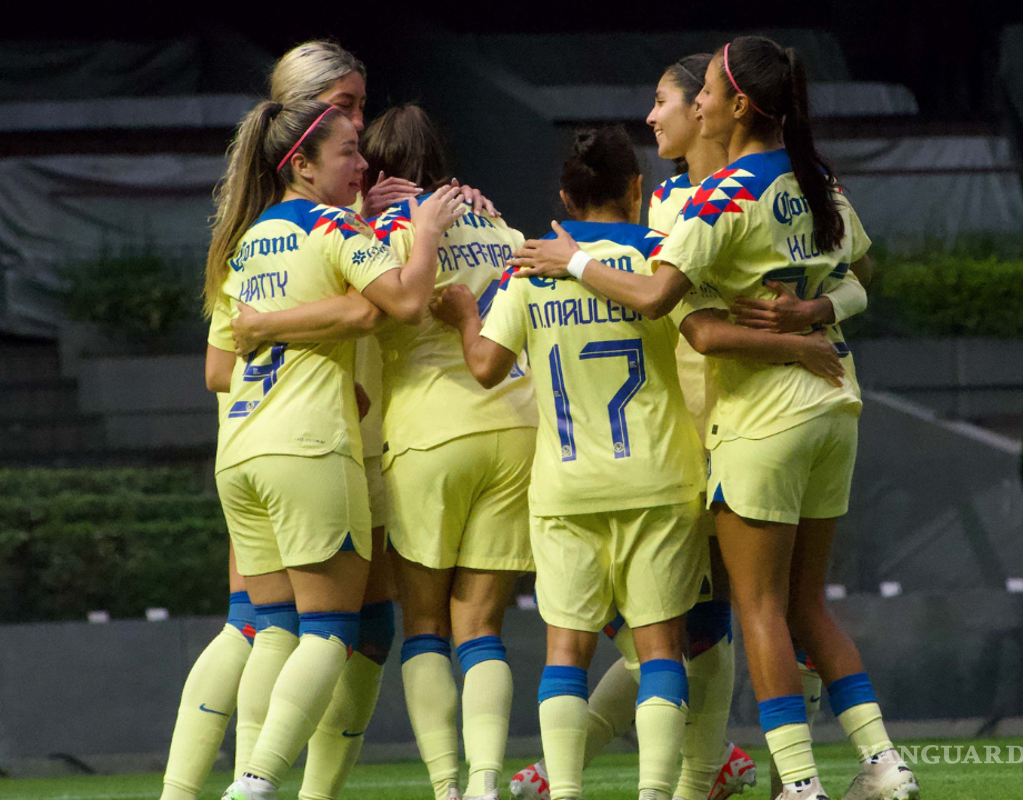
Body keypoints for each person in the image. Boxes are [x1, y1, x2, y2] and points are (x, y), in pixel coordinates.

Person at [508, 37, 917, 800]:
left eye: (674, 99)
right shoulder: (788, 181)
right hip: (769, 413)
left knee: (712, 621)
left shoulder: (703, 204)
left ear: (724, 106)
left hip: (739, 425)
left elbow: (680, 315)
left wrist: (568, 262)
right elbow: (857, 274)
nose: (666, 112)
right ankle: (809, 763)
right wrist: (811, 319)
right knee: (710, 623)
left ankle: (751, 776)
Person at [437, 125, 845, 800]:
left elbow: (484, 367)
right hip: (658, 481)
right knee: (660, 652)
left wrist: (461, 316)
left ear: (566, 196)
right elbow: (710, 336)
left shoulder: (530, 268)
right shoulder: (660, 257)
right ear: (638, 190)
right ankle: (658, 794)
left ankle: (563, 791)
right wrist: (800, 343)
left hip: (566, 487)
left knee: (566, 653)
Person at [237, 103, 537, 800]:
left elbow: (363, 307)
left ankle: (447, 788)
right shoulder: (500, 226)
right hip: (515, 425)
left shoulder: (369, 234)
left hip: (427, 433)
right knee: (484, 627)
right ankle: (489, 781)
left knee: (425, 627)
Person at [205, 98, 464, 800]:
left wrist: (285, 329)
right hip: (309, 445)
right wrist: (426, 231)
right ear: (304, 164)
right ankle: (256, 784)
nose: (361, 165)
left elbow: (217, 369)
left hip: (241, 453)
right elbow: (406, 302)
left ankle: (217, 783)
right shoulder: (330, 225)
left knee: (272, 631)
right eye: (349, 151)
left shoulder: (247, 239)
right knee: (329, 631)